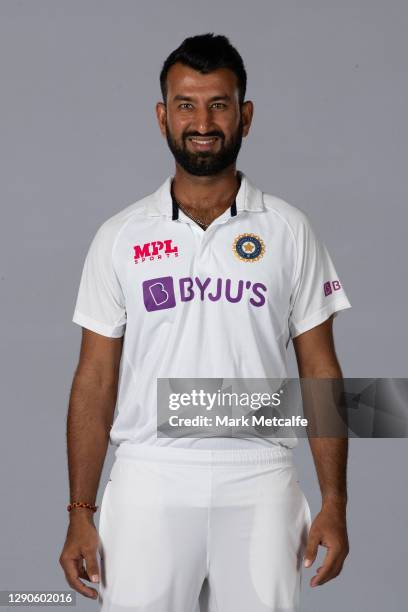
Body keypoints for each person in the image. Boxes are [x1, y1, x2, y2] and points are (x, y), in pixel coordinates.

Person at [59, 33, 351, 612]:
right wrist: (80, 513)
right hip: (150, 476)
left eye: (218, 104)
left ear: (244, 115)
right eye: (187, 105)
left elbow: (320, 369)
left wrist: (335, 502)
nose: (203, 121)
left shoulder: (288, 230)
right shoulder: (121, 236)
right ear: (162, 116)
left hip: (262, 476)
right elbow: (95, 379)